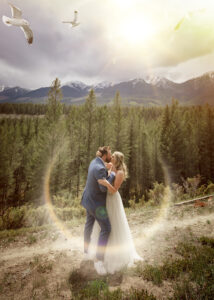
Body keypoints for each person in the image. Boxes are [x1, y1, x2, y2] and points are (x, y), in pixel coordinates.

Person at [87, 151, 143, 274]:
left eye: (112, 156)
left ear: (117, 159)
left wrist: (106, 183)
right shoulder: (111, 168)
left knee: (113, 225)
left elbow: (113, 190)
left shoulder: (120, 173)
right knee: (103, 226)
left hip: (112, 200)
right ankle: (101, 253)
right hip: (104, 199)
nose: (110, 157)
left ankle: (111, 256)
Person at [81, 146, 115, 275]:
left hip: (87, 200)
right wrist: (111, 174)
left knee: (88, 226)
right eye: (109, 154)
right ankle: (99, 261)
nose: (111, 157)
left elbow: (98, 173)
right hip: (96, 204)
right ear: (105, 156)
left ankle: (86, 252)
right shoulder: (101, 168)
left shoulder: (94, 162)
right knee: (106, 228)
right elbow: (103, 189)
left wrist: (105, 169)